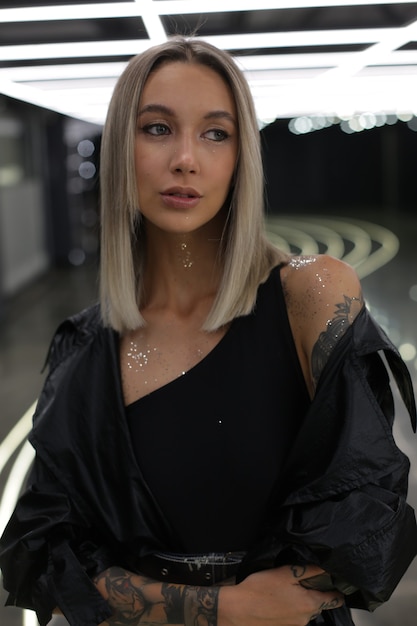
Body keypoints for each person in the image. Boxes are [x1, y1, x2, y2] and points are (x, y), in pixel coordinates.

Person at [0, 37, 416, 626]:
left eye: (215, 133)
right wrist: (224, 607)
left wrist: (140, 596)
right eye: (157, 129)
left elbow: (367, 520)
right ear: (122, 147)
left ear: (242, 155)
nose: (186, 159)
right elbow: (43, 551)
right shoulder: (83, 346)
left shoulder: (312, 296)